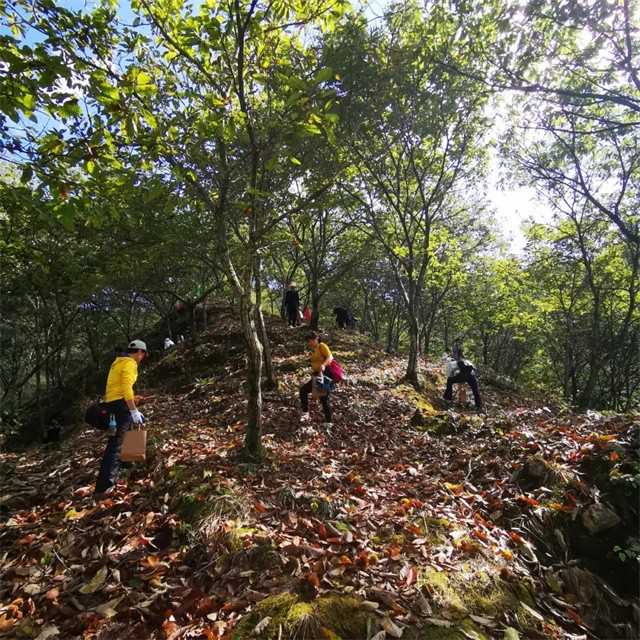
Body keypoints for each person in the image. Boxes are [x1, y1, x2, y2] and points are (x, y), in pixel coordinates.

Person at [94, 339, 148, 497]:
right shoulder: (131, 363)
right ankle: (104, 487)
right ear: (140, 352)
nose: (142, 358)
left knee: (126, 435)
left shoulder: (117, 362)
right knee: (116, 445)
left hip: (111, 405)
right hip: (121, 406)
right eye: (143, 354)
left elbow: (116, 387)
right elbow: (126, 387)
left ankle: (128, 466)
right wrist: (133, 410)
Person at [299, 332, 335, 425]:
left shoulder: (321, 346)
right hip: (317, 374)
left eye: (311, 340)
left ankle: (328, 421)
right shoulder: (314, 350)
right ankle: (305, 413)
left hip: (325, 374)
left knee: (323, 397)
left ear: (316, 338)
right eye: (308, 341)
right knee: (303, 390)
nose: (309, 343)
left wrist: (323, 365)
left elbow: (330, 357)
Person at [442, 346, 484, 413]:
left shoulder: (455, 360)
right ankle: (478, 405)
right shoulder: (465, 360)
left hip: (466, 375)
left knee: (449, 380)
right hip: (471, 376)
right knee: (475, 390)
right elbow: (473, 369)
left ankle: (447, 398)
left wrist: (455, 375)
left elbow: (450, 374)